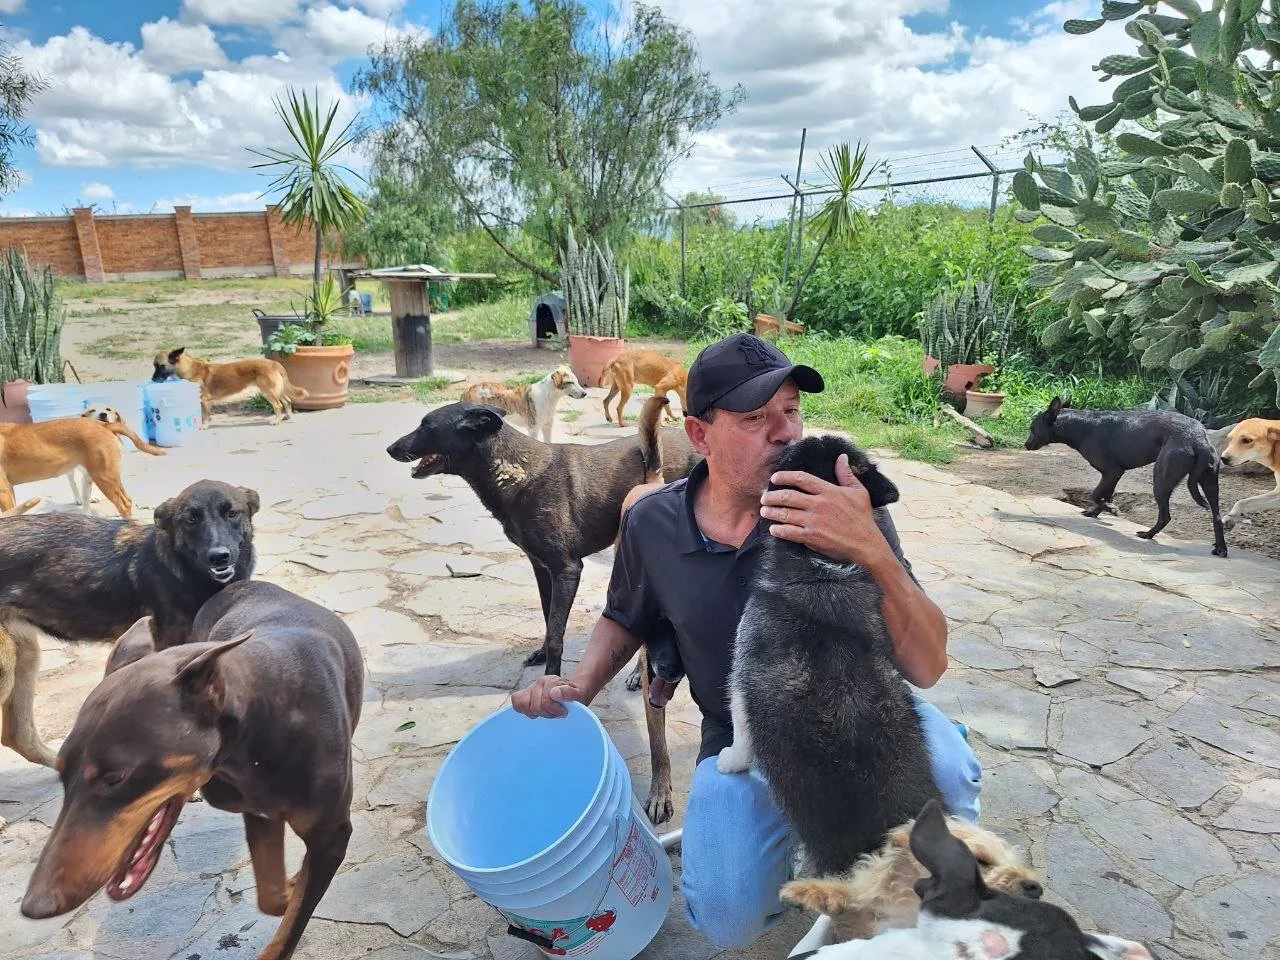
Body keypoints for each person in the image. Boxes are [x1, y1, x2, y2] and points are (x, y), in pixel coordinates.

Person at [511, 332, 981, 951]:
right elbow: (624, 615)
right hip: (743, 736)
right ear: (700, 434)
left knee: (945, 775)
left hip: (865, 710)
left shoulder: (839, 505)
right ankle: (786, 834)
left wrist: (868, 546)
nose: (785, 432)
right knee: (727, 919)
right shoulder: (653, 521)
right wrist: (581, 683)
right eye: (756, 417)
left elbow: (928, 664)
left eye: (791, 410)